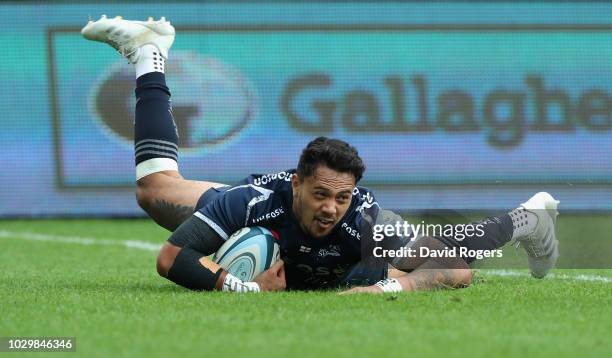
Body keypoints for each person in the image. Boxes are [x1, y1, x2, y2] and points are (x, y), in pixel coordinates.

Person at [81, 16, 560, 294]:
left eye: (342, 197)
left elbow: (454, 272)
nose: (331, 207)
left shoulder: (364, 222)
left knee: (449, 251)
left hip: (365, 257)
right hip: (258, 213)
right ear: (296, 184)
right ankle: (150, 54)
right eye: (321, 195)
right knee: (153, 191)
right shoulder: (245, 204)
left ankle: (530, 217)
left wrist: (389, 289)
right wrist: (240, 286)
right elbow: (170, 259)